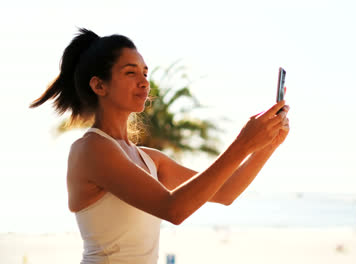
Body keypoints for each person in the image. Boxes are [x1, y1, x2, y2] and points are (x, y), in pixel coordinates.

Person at [30, 28, 290, 264]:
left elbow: (226, 192)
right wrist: (243, 143)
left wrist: (267, 144)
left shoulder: (148, 160)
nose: (144, 82)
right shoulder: (90, 150)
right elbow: (173, 209)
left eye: (145, 72)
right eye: (130, 73)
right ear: (99, 85)